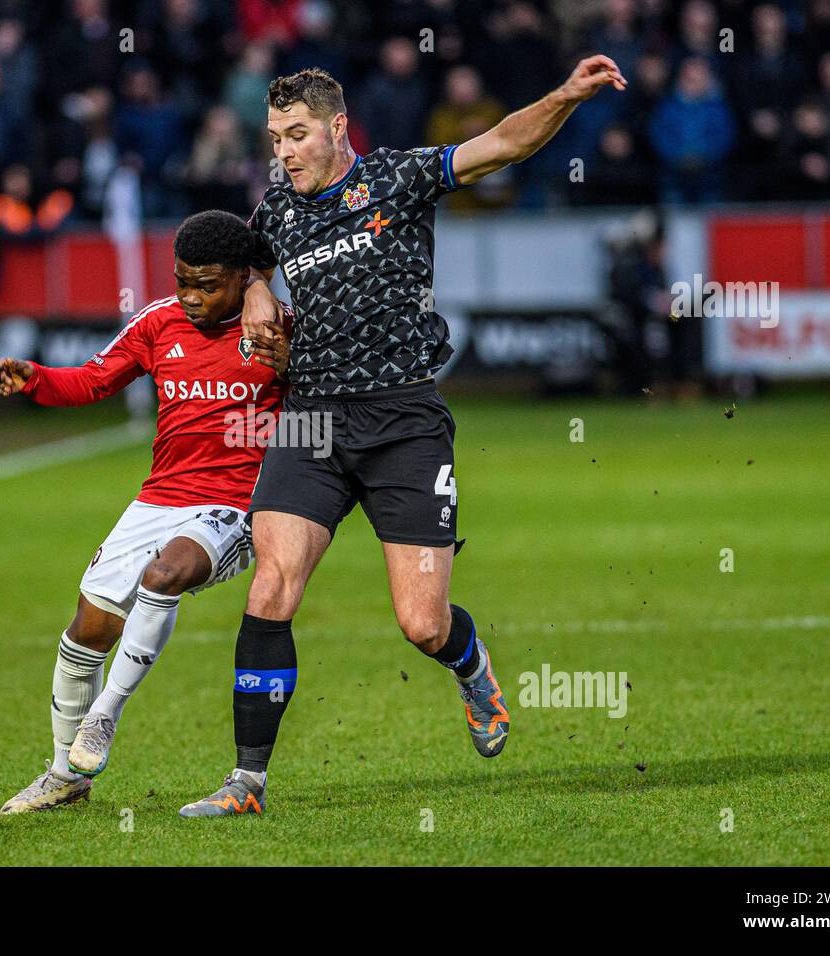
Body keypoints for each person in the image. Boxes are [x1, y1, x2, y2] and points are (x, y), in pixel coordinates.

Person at [179, 59, 626, 817]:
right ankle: (245, 782)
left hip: (404, 422)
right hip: (314, 419)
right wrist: (256, 284)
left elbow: (501, 145)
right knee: (270, 588)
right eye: (274, 138)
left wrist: (564, 96)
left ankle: (470, 663)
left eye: (297, 135)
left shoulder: (399, 179)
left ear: (337, 127)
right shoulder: (280, 206)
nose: (283, 152)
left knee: (421, 624)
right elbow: (249, 252)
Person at [0, 210, 292, 813]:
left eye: (206, 285)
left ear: (241, 279)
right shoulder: (158, 323)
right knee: (87, 631)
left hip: (235, 502)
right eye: (182, 280)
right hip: (158, 497)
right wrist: (37, 380)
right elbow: (94, 381)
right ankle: (64, 776)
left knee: (165, 576)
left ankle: (105, 714)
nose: (190, 296)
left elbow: (324, 417)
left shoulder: (277, 330)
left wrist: (291, 376)